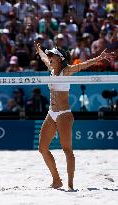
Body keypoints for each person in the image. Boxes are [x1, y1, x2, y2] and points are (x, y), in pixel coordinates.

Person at [34, 41, 114, 190]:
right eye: (50, 55)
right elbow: (44, 58)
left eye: (53, 55)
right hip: (51, 112)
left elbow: (84, 64)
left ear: (60, 58)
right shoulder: (52, 69)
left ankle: (70, 185)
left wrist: (100, 57)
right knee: (42, 148)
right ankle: (57, 180)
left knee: (67, 150)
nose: (50, 57)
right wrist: (38, 49)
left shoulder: (67, 70)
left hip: (64, 114)